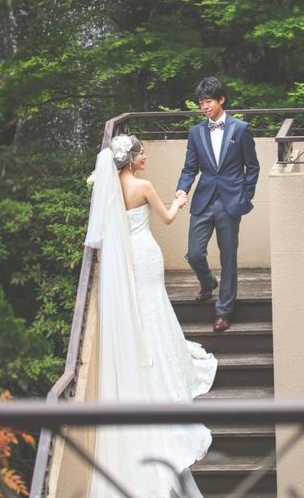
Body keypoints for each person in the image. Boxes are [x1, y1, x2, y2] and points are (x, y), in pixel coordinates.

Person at [85, 134, 217, 498]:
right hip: (144, 254)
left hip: (125, 259)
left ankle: (143, 355)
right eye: (142, 153)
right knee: (154, 305)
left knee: (140, 310)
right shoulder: (142, 187)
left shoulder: (109, 187)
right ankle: (164, 364)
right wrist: (179, 201)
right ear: (130, 159)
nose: (145, 156)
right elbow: (168, 219)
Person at [176, 77, 260, 332]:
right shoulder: (196, 132)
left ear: (221, 100)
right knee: (194, 253)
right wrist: (182, 189)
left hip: (230, 201)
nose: (204, 106)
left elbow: (252, 167)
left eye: (208, 101)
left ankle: (224, 311)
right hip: (203, 200)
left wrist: (246, 196)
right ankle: (207, 282)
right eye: (201, 102)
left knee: (228, 258)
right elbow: (189, 168)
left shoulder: (241, 129)